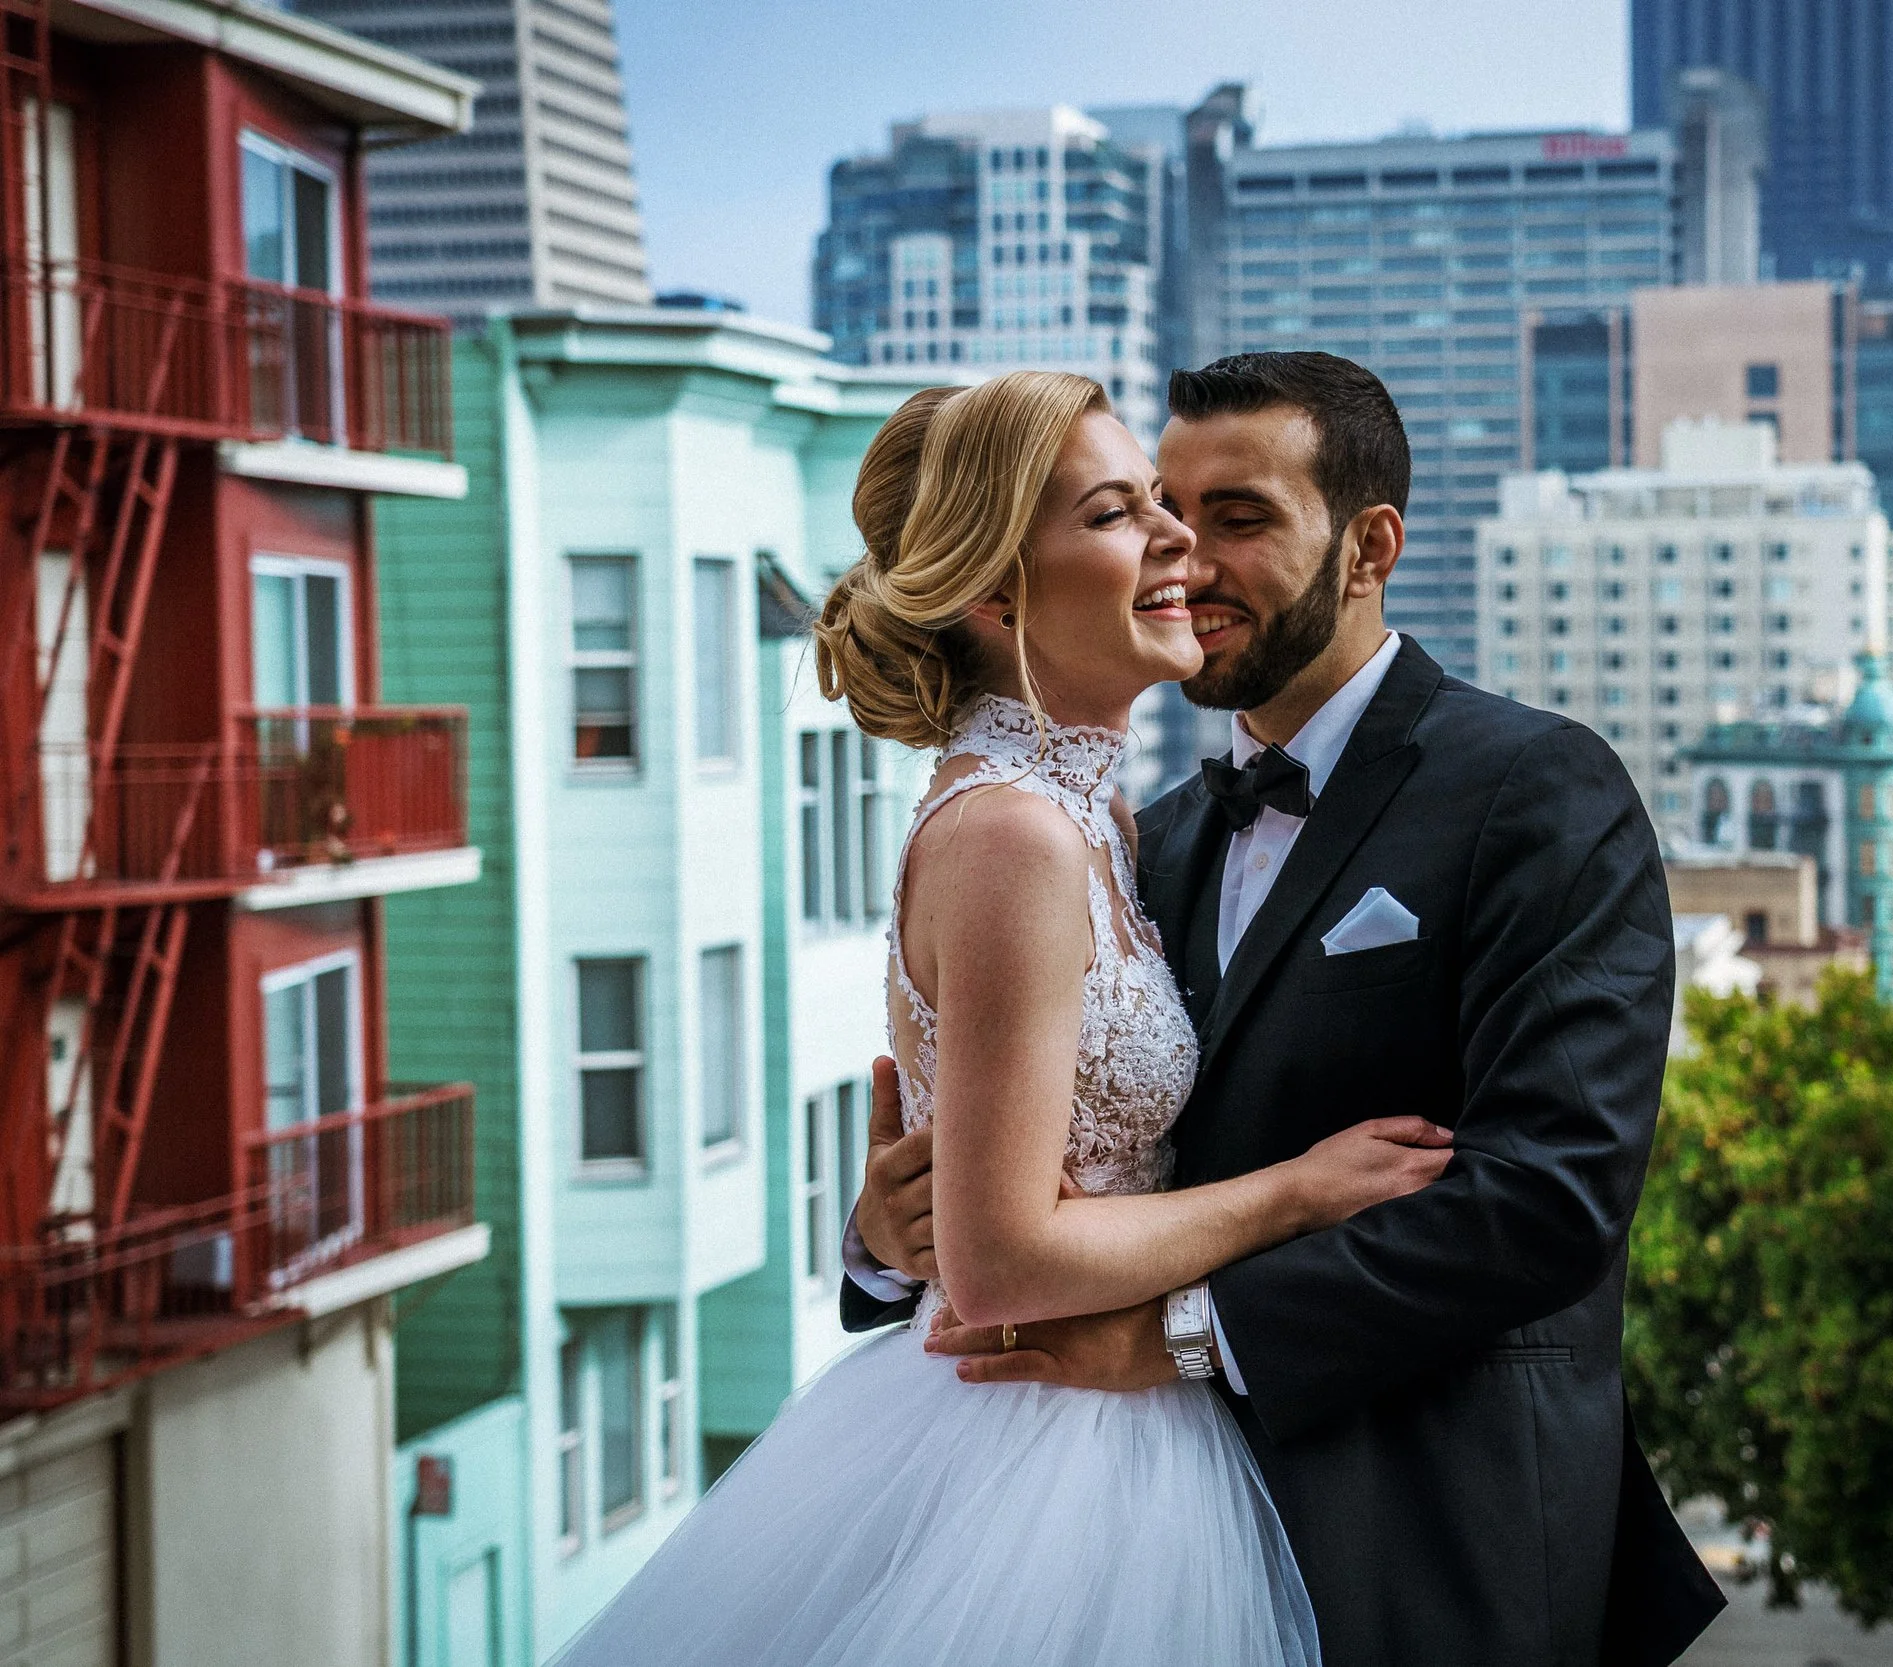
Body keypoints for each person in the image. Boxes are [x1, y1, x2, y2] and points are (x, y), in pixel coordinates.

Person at [548, 370, 1461, 1666]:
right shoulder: (1014, 834)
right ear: (993, 589)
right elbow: (999, 1261)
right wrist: (1300, 1192)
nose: (1174, 539)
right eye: (1115, 512)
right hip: (1042, 1450)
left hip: (1127, 1423)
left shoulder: (1099, 816)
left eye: (1166, 503)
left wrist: (886, 1227)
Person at [848, 353, 1727, 1665]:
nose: (1185, 554)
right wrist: (880, 1236)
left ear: (1369, 547)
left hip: (1432, 1557)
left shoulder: (1539, 787)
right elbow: (1067, 1158)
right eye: (1160, 507)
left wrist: (1181, 1335)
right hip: (1138, 1531)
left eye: (1237, 517)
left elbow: (1552, 1195)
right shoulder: (1155, 832)